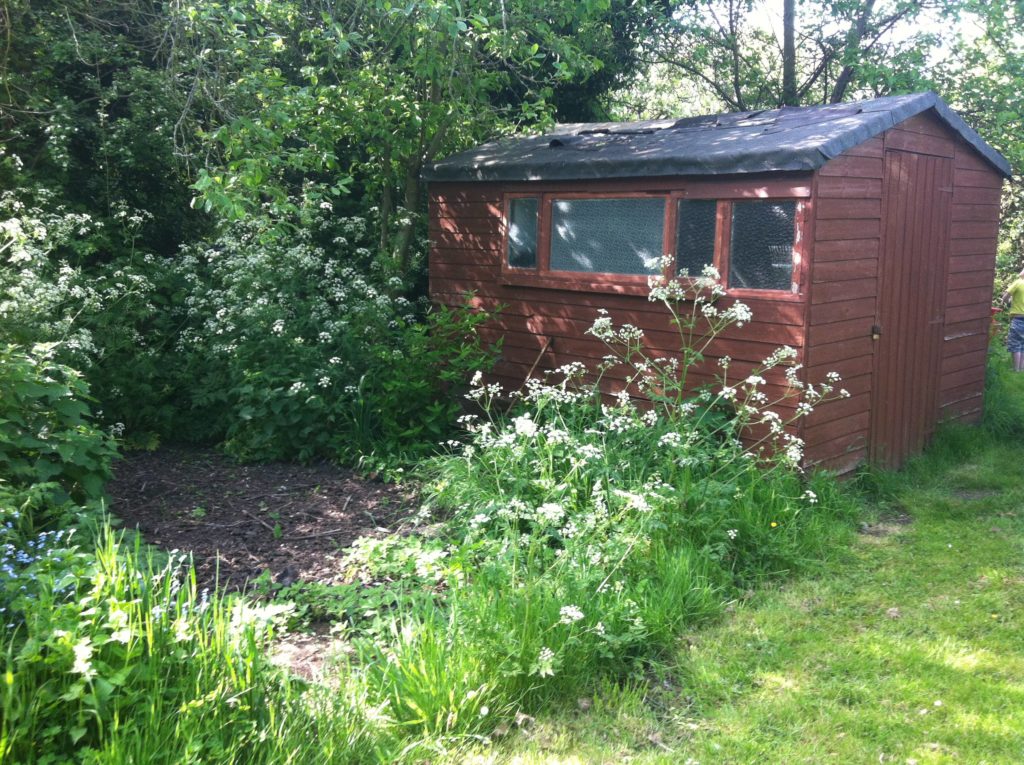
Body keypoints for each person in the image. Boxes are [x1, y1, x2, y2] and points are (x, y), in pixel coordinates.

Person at [1001, 268, 1024, 372]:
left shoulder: (1018, 283)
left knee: (1015, 344)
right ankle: (1022, 368)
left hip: (1018, 319)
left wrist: (1008, 302)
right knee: (1023, 344)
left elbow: (1005, 297)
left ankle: (1016, 369)